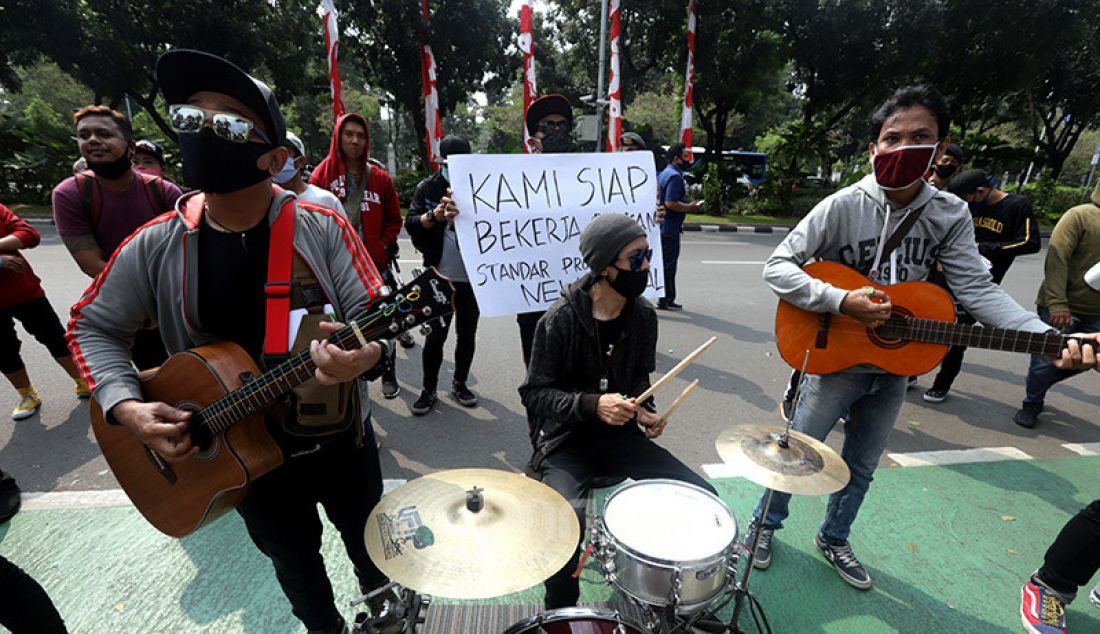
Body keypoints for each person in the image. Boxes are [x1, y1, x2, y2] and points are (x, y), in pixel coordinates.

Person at [67, 49, 395, 634]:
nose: (202, 132)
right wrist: (129, 408)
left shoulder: (322, 226)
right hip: (243, 463)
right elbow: (92, 325)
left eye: (229, 123)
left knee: (377, 553)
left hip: (340, 444)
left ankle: (391, 617)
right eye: (191, 118)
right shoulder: (155, 244)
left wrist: (366, 357)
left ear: (273, 158)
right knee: (295, 568)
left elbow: (372, 314)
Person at [745, 85, 1077, 591]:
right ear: (874, 147)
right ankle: (763, 527)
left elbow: (978, 291)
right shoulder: (842, 205)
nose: (903, 147)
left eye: (920, 136)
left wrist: (1044, 336)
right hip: (835, 359)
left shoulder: (949, 213)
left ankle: (834, 537)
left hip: (896, 366)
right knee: (797, 452)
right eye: (891, 137)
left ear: (941, 148)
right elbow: (778, 266)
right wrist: (840, 301)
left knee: (861, 465)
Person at [519, 213, 716, 609]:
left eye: (647, 254)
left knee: (703, 496)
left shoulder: (642, 315)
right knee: (565, 521)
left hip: (621, 437)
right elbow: (534, 394)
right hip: (568, 440)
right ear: (605, 268)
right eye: (636, 257)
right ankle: (561, 611)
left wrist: (647, 411)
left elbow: (640, 380)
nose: (646, 265)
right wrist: (593, 405)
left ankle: (663, 593)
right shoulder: (558, 320)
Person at [52, 105, 181, 370]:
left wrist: (167, 303)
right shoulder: (69, 194)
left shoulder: (165, 192)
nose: (93, 141)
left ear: (130, 148)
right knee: (155, 372)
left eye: (103, 133)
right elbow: (91, 264)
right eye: (84, 135)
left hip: (175, 299)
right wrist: (144, 307)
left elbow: (185, 253)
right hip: (127, 304)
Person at [923, 169, 1041, 403]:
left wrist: (985, 248)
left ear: (980, 191)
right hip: (945, 275)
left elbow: (1030, 243)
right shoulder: (962, 208)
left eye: (967, 200)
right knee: (925, 323)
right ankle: (909, 373)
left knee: (959, 336)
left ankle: (942, 384)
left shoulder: (1017, 205)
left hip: (980, 281)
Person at [309, 112, 402, 399]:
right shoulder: (322, 176)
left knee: (385, 323)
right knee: (339, 328)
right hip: (337, 273)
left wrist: (382, 247)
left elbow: (394, 220)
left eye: (361, 135)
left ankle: (388, 373)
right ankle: (344, 379)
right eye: (349, 134)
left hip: (375, 268)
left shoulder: (380, 179)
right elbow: (309, 219)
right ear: (338, 137)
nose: (355, 140)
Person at [1012, 182, 1100, 428]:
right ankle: (1032, 403)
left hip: (1097, 312)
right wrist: (1057, 304)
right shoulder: (1080, 216)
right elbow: (1057, 258)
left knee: (1090, 359)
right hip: (1062, 306)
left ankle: (1044, 381)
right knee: (1043, 360)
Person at [404, 135, 480, 415]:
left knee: (467, 334)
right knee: (435, 336)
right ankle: (429, 389)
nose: (455, 168)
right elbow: (410, 222)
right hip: (439, 276)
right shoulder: (428, 187)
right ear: (441, 164)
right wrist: (434, 216)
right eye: (449, 164)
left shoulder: (479, 184)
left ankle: (460, 383)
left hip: (473, 278)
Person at [1, 203, 90, 419]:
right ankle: (26, 395)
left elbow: (30, 235)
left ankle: (83, 382)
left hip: (26, 293)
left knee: (55, 337)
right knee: (4, 351)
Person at [516, 93, 578, 365]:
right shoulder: (513, 177)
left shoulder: (590, 173)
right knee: (537, 370)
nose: (556, 130)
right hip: (533, 293)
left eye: (562, 125)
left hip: (578, 295)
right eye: (548, 125)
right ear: (534, 136)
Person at [657, 143, 702, 311]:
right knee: (669, 264)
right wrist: (690, 207)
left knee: (665, 263)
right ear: (676, 159)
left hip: (664, 227)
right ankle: (665, 299)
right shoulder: (675, 176)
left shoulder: (664, 174)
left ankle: (666, 297)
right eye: (684, 156)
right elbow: (670, 203)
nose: (687, 159)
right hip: (670, 228)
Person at [274, 131, 342, 212]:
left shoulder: (327, 202)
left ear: (301, 161)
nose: (277, 159)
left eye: (285, 153)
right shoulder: (263, 201)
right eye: (274, 153)